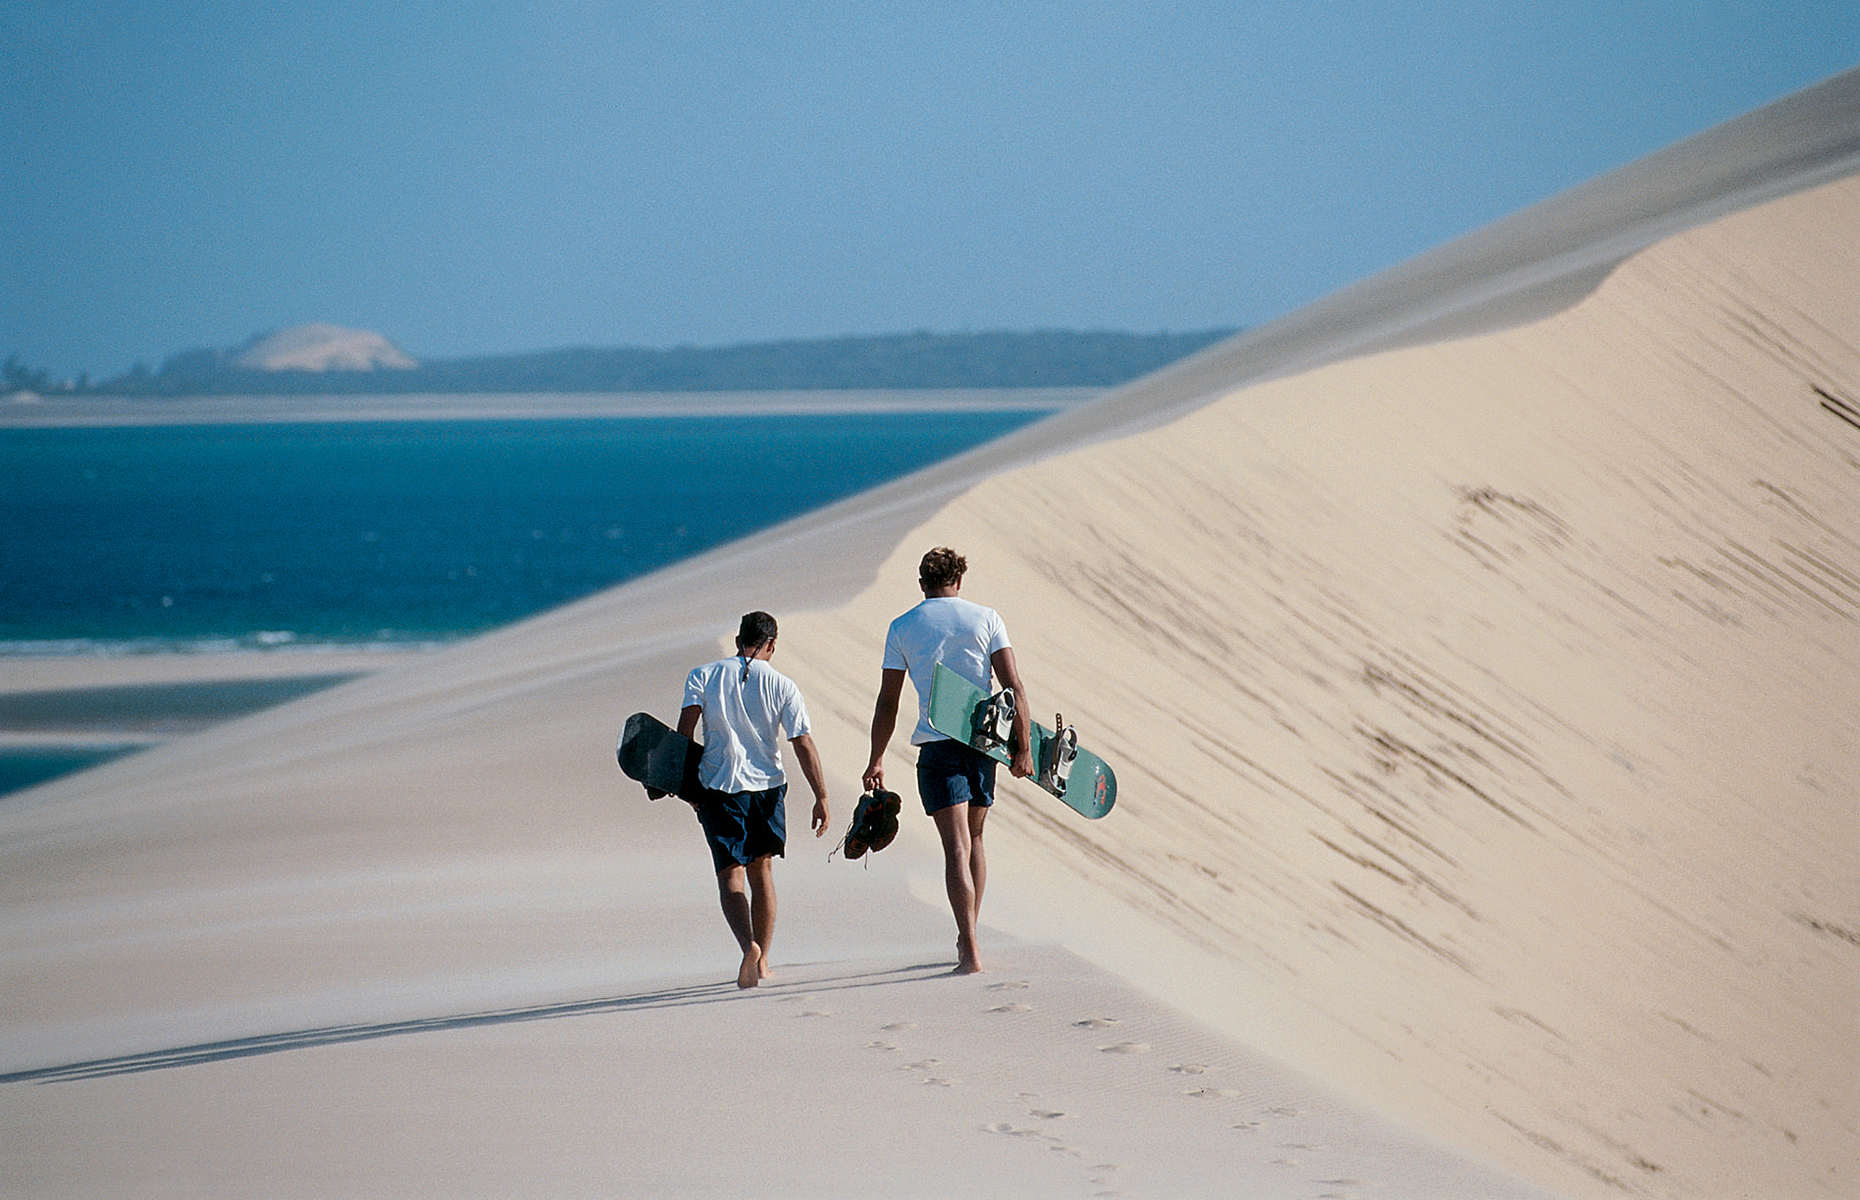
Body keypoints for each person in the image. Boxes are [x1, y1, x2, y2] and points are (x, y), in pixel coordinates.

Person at [862, 547, 1032, 974]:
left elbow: (888, 702)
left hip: (938, 745)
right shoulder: (986, 618)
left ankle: (969, 948)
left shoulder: (902, 626)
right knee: (975, 841)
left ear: (922, 584)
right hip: (982, 745)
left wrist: (876, 759)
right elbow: (1013, 685)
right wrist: (1024, 747)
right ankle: (968, 934)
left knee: (953, 847)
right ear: (959, 582)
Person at [678, 611, 829, 988]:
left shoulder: (703, 675)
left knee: (731, 876)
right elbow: (802, 742)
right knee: (762, 874)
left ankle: (748, 947)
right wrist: (821, 794)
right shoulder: (783, 684)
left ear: (737, 640)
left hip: (718, 785)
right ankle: (762, 961)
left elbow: (684, 733)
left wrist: (688, 789)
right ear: (772, 645)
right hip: (767, 788)